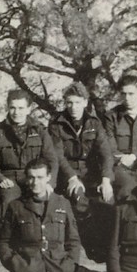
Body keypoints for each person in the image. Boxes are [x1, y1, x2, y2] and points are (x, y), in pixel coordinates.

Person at [49, 83, 115, 261]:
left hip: (91, 174)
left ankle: (108, 253)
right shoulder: (57, 124)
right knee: (80, 202)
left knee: (107, 201)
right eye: (69, 103)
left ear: (85, 102)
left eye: (77, 102)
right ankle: (94, 253)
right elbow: (58, 156)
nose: (73, 107)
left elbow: (106, 154)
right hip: (68, 173)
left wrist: (106, 179)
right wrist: (71, 177)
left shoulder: (94, 123)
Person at [0, 91, 60, 218]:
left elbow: (52, 160)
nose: (16, 112)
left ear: (29, 109)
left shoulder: (39, 130)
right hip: (9, 179)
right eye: (13, 108)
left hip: (34, 177)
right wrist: (0, 178)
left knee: (42, 202)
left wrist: (50, 183)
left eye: (21, 108)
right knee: (9, 202)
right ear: (8, 108)